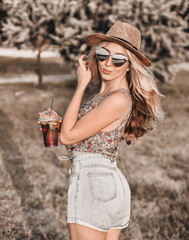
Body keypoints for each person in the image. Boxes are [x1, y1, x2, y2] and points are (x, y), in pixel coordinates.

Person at [40, 21, 164, 240]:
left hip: (94, 183)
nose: (108, 63)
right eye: (103, 54)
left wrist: (80, 85)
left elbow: (68, 137)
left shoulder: (117, 98)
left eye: (118, 60)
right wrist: (57, 122)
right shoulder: (104, 95)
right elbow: (77, 134)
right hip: (104, 182)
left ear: (129, 65)